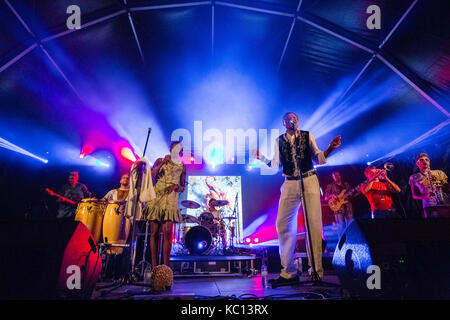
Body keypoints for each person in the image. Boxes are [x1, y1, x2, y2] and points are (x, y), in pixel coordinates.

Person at [254, 112, 341, 285]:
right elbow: (276, 165)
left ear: (297, 121)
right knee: (283, 223)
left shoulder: (307, 136)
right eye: (287, 119)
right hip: (289, 182)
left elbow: (318, 158)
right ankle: (289, 272)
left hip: (309, 179)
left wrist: (331, 148)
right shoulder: (279, 141)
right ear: (283, 123)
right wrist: (262, 158)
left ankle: (316, 272)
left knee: (313, 225)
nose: (290, 121)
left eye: (293, 118)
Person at [143, 142, 186, 269]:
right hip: (157, 196)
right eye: (174, 147)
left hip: (171, 198)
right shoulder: (160, 160)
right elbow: (151, 176)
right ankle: (155, 266)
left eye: (179, 148)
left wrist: (176, 186)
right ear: (171, 148)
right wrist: (162, 163)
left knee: (167, 232)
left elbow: (183, 187)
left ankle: (166, 268)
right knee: (153, 233)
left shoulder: (182, 167)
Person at [409, 153, 449, 218]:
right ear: (417, 164)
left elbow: (447, 189)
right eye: (421, 160)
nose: (425, 161)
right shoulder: (413, 177)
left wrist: (443, 184)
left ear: (429, 163)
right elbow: (415, 196)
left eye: (427, 160)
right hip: (429, 206)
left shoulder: (439, 172)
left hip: (444, 203)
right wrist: (426, 195)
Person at [324, 171, 354, 237]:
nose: (337, 177)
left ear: (340, 176)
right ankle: (341, 244)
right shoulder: (330, 186)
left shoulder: (345, 184)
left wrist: (352, 192)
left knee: (351, 227)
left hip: (348, 208)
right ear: (333, 177)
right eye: (335, 176)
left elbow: (351, 193)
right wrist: (331, 195)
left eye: (338, 175)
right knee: (341, 228)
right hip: (338, 210)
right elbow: (326, 197)